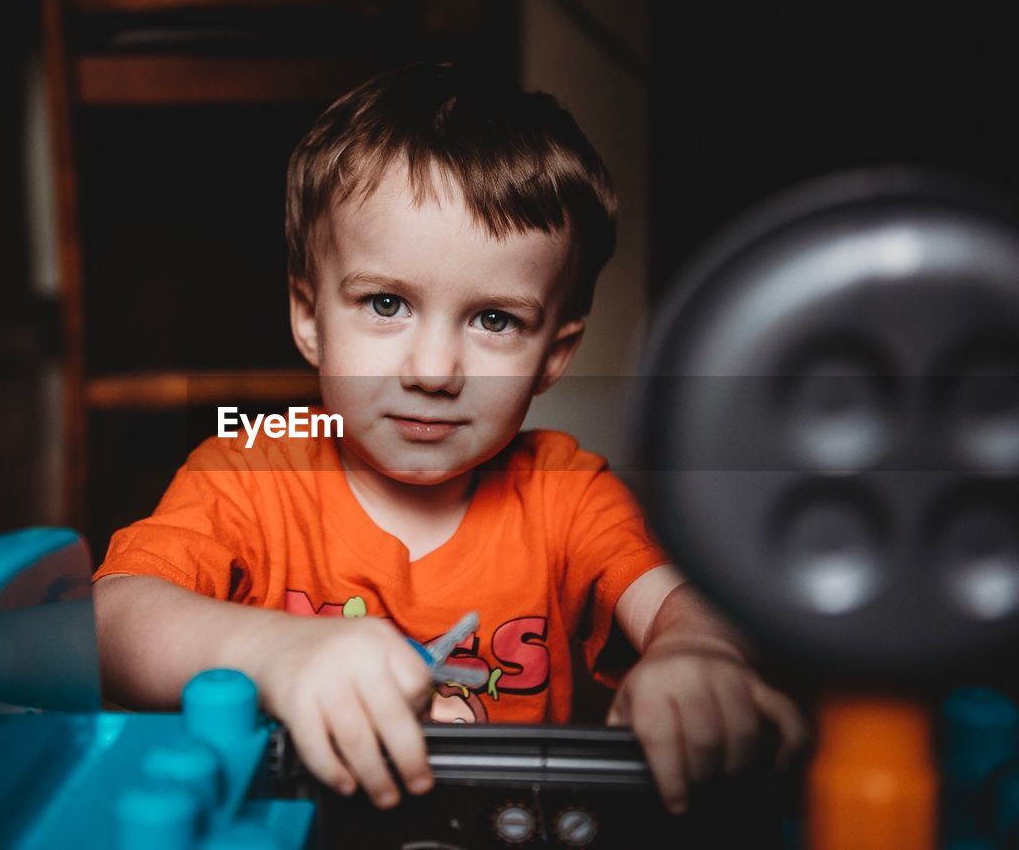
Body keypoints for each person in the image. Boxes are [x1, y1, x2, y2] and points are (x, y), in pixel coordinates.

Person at [92, 62, 807, 816]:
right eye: (386, 302)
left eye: (494, 320)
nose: (434, 371)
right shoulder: (248, 472)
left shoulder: (568, 492)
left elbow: (692, 600)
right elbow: (110, 622)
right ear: (309, 318)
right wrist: (274, 653)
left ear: (554, 354)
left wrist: (700, 655)